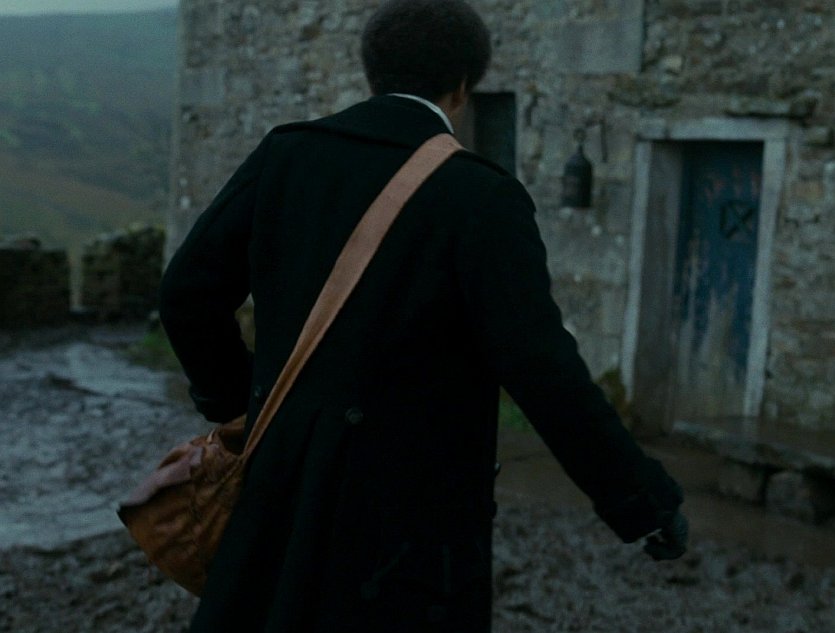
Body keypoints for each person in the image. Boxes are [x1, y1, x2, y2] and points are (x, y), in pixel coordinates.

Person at [159, 1, 688, 631]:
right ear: (462, 87)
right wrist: (641, 500)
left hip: (278, 492)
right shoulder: (482, 195)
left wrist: (239, 401)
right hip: (407, 532)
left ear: (372, 72)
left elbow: (186, 292)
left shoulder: (286, 155)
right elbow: (543, 372)